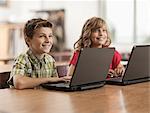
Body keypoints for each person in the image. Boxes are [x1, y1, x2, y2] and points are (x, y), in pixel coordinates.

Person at [7, 18, 70, 89]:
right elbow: (19, 83)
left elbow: (54, 85)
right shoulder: (23, 58)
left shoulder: (50, 60)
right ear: (28, 40)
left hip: (41, 99)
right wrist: (48, 79)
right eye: (42, 36)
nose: (48, 40)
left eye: (50, 36)